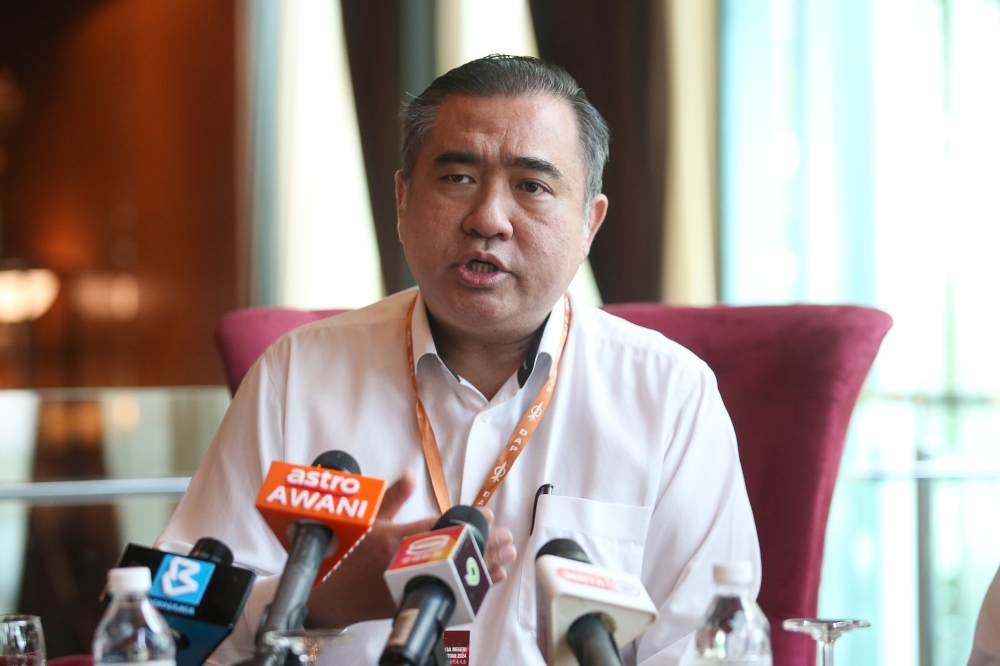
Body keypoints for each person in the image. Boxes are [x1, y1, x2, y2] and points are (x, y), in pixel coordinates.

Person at [156, 55, 760, 665]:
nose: (488, 219)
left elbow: (717, 649)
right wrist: (321, 598)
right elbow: (165, 624)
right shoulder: (297, 375)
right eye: (457, 178)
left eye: (532, 186)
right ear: (401, 199)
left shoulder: (670, 396)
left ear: (588, 224)